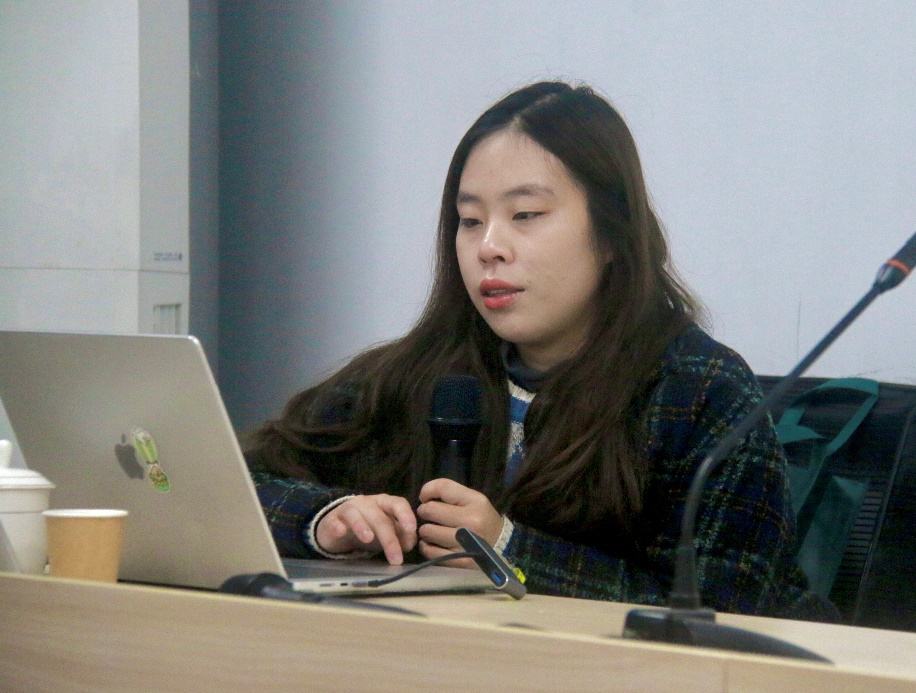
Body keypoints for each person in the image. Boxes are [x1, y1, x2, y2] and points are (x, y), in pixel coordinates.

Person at [245, 81, 837, 620]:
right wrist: (324, 519)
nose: (490, 247)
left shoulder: (700, 391)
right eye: (469, 220)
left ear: (612, 232)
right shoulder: (421, 372)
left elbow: (725, 608)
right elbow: (236, 483)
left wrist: (509, 550)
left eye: (525, 215)